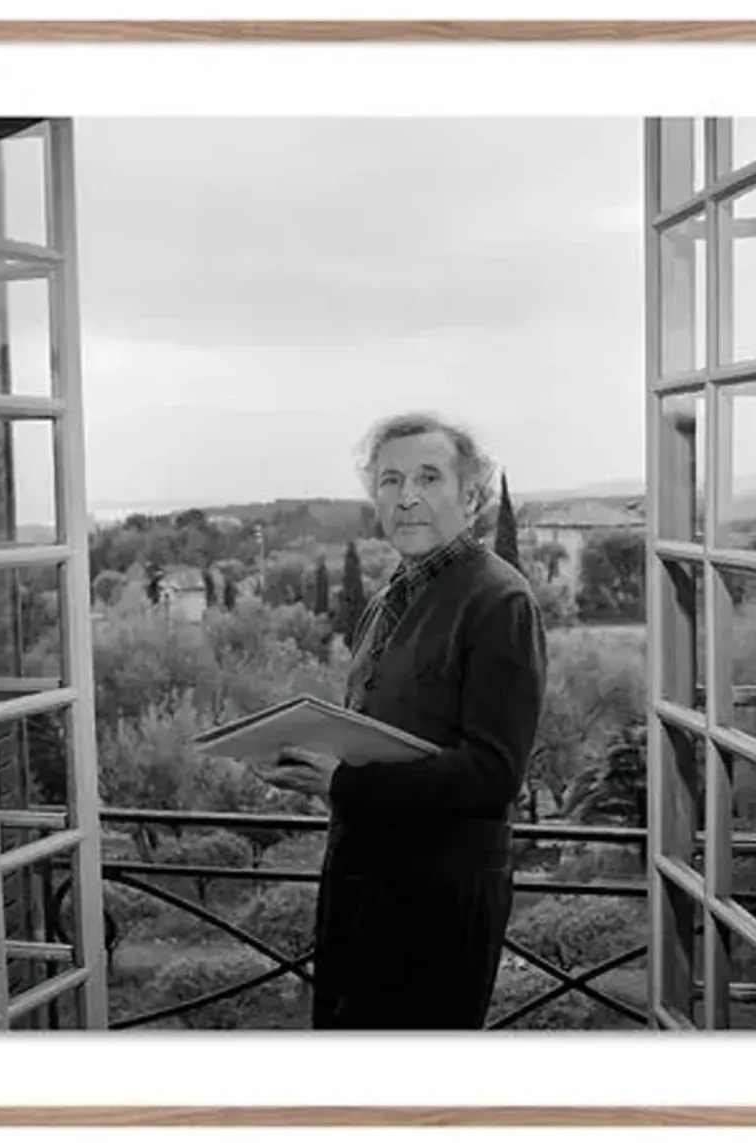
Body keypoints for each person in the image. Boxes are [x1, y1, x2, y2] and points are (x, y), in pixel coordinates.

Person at [247, 411, 548, 1029]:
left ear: (470, 495)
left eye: (428, 477)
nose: (406, 497)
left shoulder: (500, 601)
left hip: (439, 905)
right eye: (389, 480)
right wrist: (301, 754)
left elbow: (493, 773)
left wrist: (342, 782)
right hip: (359, 888)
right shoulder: (390, 598)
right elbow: (380, 730)